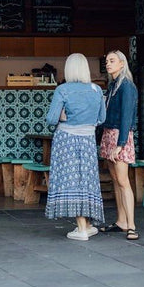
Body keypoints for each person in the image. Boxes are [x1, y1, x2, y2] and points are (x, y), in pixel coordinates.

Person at [45, 53, 106, 241]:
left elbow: (51, 119)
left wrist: (63, 116)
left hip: (67, 140)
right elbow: (102, 118)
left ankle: (80, 229)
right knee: (86, 180)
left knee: (72, 180)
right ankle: (87, 225)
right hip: (87, 139)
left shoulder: (63, 89)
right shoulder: (96, 90)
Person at [99, 50, 139, 240]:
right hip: (109, 134)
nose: (108, 64)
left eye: (112, 61)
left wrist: (120, 144)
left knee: (123, 182)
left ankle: (131, 225)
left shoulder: (127, 87)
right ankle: (121, 220)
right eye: (107, 61)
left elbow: (126, 117)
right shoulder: (113, 85)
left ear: (122, 63)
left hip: (119, 136)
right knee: (115, 180)